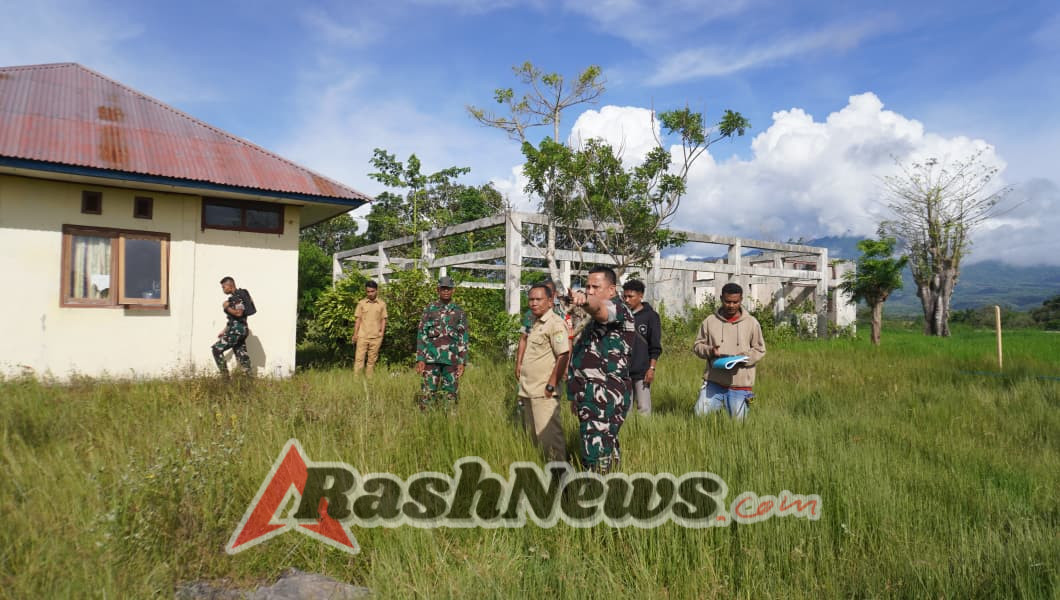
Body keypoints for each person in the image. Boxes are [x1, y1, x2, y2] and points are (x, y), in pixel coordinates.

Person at [567, 265, 635, 474]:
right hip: (591, 394)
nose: (590, 291)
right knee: (606, 447)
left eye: (596, 286)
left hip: (604, 394)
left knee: (595, 455)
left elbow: (599, 308)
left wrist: (585, 300)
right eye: (587, 287)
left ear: (612, 290)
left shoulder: (618, 309)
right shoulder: (593, 321)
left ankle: (592, 496)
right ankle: (611, 491)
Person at [692, 282, 766, 420]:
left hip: (740, 386)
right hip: (713, 383)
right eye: (727, 301)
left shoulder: (751, 322)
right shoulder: (709, 321)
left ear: (741, 300)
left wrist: (743, 359)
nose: (731, 305)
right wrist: (710, 350)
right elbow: (697, 346)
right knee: (699, 417)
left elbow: (760, 349)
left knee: (738, 427)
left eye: (735, 302)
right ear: (721, 298)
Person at [517, 282, 571, 462]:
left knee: (550, 440)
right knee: (536, 438)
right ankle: (544, 477)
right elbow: (524, 343)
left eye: (538, 299)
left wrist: (552, 384)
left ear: (550, 301)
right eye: (531, 299)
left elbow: (563, 354)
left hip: (544, 391)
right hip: (528, 389)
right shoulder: (532, 321)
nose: (534, 303)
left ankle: (561, 482)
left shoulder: (555, 324)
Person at [415, 276, 469, 410]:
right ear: (437, 290)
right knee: (428, 393)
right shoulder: (429, 310)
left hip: (452, 360)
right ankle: (425, 421)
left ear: (453, 290)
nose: (446, 291)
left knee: (450, 394)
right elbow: (422, 334)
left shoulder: (459, 312)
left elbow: (463, 337)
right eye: (443, 288)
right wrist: (420, 358)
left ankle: (449, 423)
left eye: (448, 289)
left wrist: (462, 361)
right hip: (431, 359)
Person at [621, 279, 662, 415]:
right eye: (624, 296)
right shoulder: (621, 315)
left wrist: (651, 369)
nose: (627, 300)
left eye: (630, 296)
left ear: (640, 296)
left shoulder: (651, 317)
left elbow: (655, 346)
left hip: (642, 371)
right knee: (624, 408)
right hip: (623, 371)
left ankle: (644, 434)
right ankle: (626, 434)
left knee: (644, 408)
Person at [515, 279, 569, 380]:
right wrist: (519, 363)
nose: (535, 302)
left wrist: (565, 367)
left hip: (550, 370)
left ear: (554, 294)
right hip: (530, 369)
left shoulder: (562, 315)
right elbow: (523, 338)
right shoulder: (530, 315)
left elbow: (567, 344)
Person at [212, 276, 251, 376]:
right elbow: (233, 319)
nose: (223, 289)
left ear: (230, 285)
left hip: (237, 331)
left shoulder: (237, 297)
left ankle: (225, 378)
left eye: (223, 287)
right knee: (242, 356)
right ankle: (249, 383)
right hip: (239, 330)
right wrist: (224, 331)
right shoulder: (235, 297)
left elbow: (239, 313)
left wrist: (226, 307)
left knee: (216, 349)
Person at [352, 280, 387, 377]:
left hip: (376, 337)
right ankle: (357, 381)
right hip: (362, 336)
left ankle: (369, 380)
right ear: (366, 291)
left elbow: (383, 319)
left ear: (376, 291)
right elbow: (358, 319)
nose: (370, 293)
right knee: (359, 359)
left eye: (372, 291)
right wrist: (355, 334)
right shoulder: (361, 303)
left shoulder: (382, 304)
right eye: (368, 291)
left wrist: (382, 334)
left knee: (372, 360)